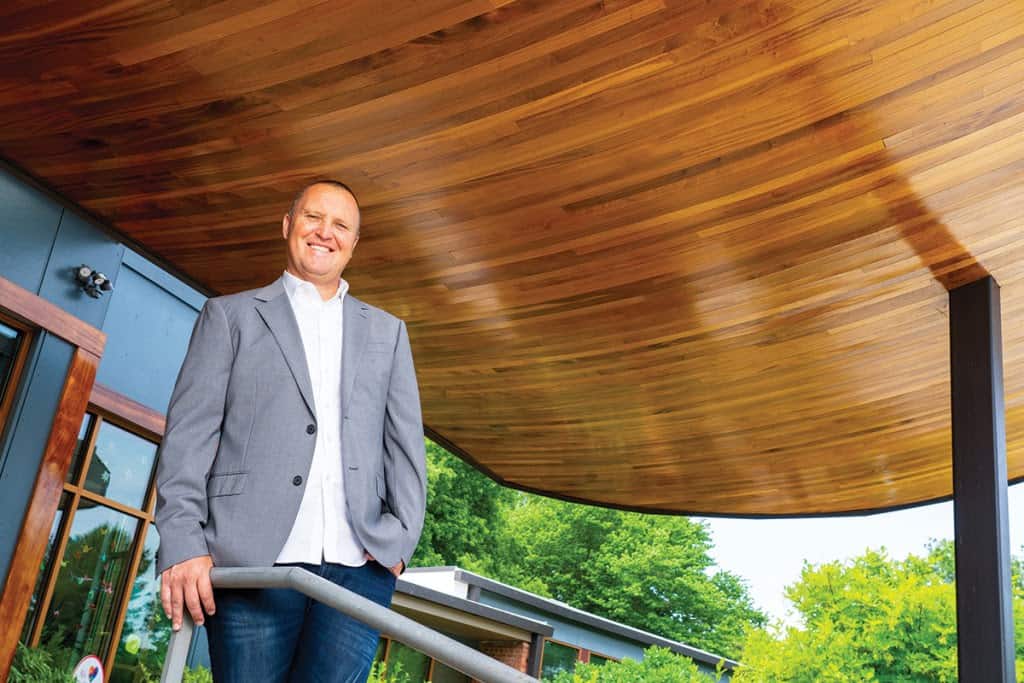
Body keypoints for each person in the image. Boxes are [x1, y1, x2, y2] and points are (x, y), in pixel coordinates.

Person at [154, 180, 427, 682]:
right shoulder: (229, 317)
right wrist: (183, 542)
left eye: (341, 225)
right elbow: (188, 440)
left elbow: (405, 447)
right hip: (250, 561)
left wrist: (400, 543)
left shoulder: (387, 333)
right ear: (287, 226)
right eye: (313, 218)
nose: (325, 233)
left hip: (357, 571)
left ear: (354, 242)